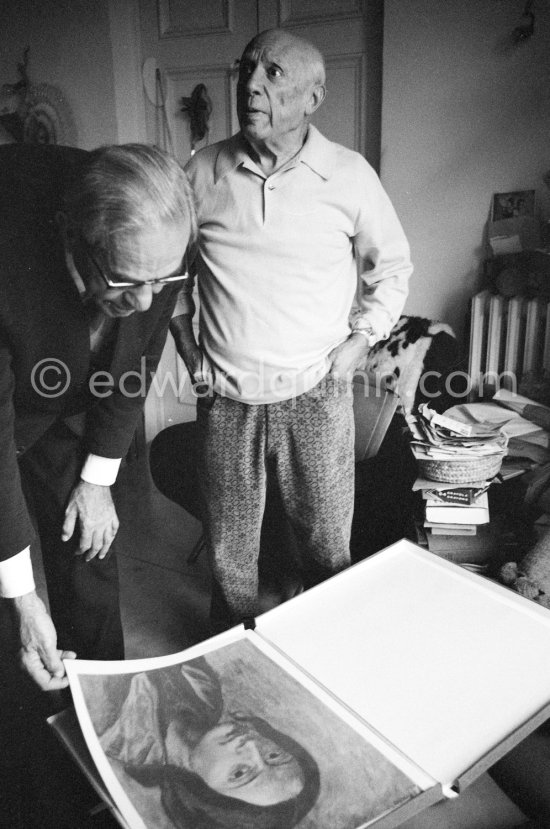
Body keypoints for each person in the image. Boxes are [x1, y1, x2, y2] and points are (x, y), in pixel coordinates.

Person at [162, 27, 413, 630]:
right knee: (231, 560)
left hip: (317, 395)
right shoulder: (203, 172)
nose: (251, 83)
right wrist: (189, 349)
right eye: (248, 68)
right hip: (227, 400)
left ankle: (326, 659)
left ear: (313, 98)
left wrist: (357, 346)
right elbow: (170, 274)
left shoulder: (349, 175)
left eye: (273, 73)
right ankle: (235, 667)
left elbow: (394, 268)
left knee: (327, 548)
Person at [0, 142, 195, 691]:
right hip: (11, 395)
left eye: (161, 282)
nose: (146, 299)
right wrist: (19, 593)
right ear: (72, 237)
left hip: (64, 402)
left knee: (87, 546)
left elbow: (139, 356)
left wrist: (97, 478)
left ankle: (107, 703)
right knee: (12, 607)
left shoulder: (159, 247)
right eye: (127, 283)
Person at [100, 656, 320, 828]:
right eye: (273, 755)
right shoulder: (208, 693)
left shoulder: (119, 740)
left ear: (198, 791)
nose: (251, 746)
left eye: (240, 773)